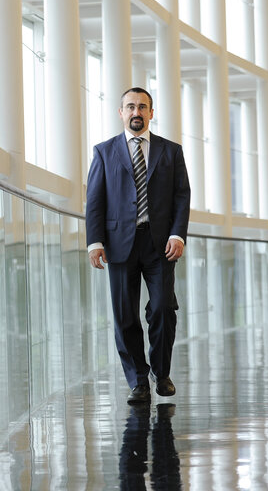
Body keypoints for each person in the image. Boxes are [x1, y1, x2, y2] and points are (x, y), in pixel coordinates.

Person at [85, 87, 190, 404]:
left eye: (142, 107)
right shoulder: (104, 152)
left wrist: (178, 234)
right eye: (130, 106)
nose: (136, 112)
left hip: (161, 245)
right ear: (121, 112)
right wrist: (95, 241)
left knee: (162, 308)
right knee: (124, 315)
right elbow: (95, 200)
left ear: (151, 113)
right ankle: (138, 381)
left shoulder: (171, 151)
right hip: (119, 244)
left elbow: (182, 196)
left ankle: (162, 374)